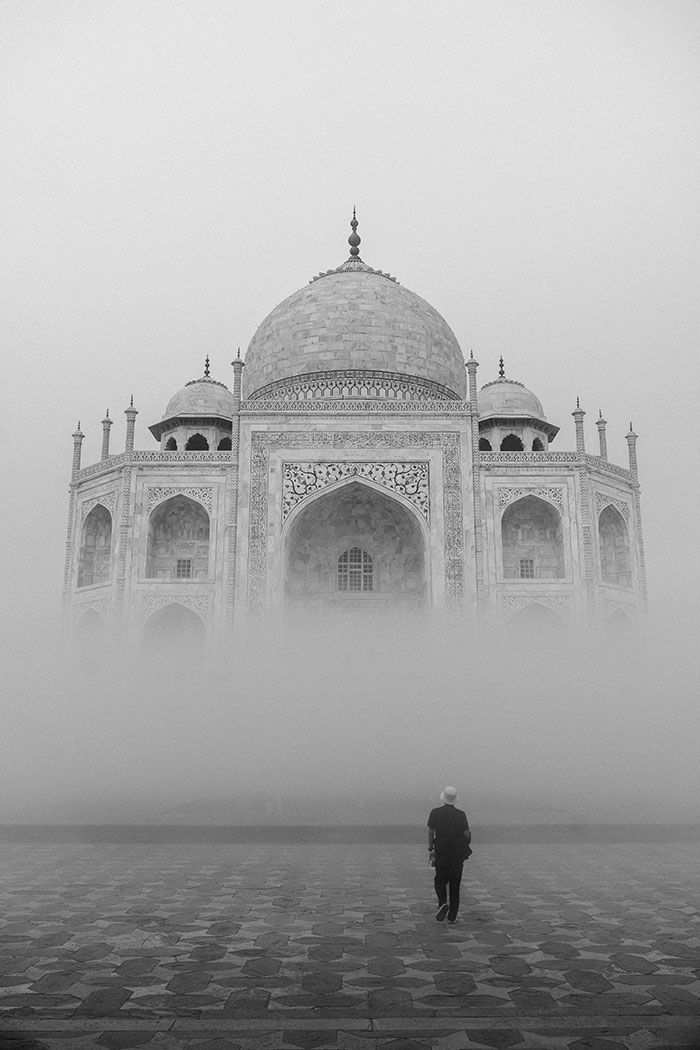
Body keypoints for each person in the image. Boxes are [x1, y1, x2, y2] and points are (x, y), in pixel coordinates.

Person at [427, 786, 471, 923]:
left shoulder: (435, 812)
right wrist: (465, 846)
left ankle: (442, 903)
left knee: (439, 880)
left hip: (442, 851)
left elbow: (430, 831)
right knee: (455, 883)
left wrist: (430, 846)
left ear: (443, 798)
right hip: (457, 853)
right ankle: (452, 914)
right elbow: (467, 833)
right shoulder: (461, 815)